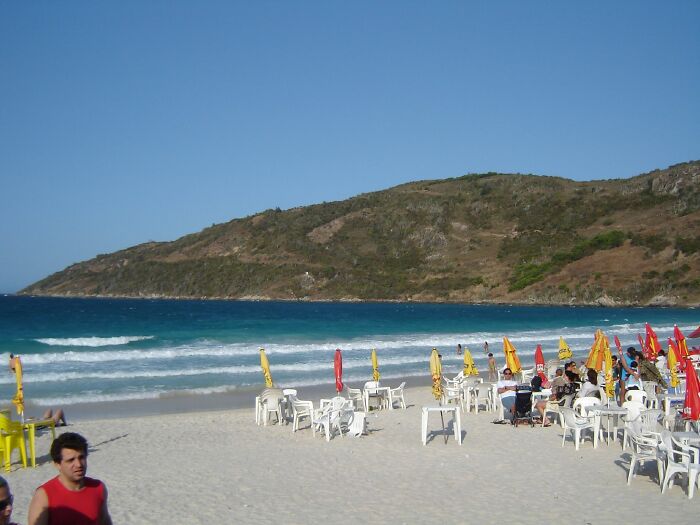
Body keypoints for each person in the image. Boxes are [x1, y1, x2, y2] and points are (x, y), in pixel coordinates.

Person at [28, 432, 112, 525]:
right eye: (71, 460)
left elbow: (104, 521)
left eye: (81, 457)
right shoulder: (44, 495)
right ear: (57, 464)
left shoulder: (98, 488)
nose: (79, 464)